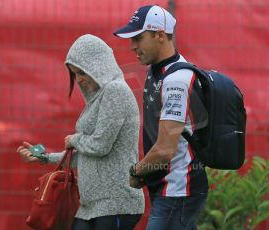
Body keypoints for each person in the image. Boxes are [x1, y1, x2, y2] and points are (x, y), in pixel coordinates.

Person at [16, 34, 145, 230]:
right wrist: (43, 157)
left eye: (81, 72)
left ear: (98, 65)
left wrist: (75, 139)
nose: (78, 80)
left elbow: (100, 145)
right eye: (74, 74)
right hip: (90, 206)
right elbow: (86, 156)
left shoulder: (115, 91)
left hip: (116, 203)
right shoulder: (98, 99)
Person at [114, 5, 208, 230]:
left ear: (160, 35)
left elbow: (165, 150)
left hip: (177, 190)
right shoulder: (157, 71)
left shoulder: (176, 79)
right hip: (170, 188)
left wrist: (136, 172)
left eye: (138, 37)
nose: (132, 46)